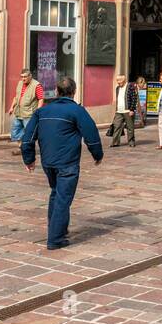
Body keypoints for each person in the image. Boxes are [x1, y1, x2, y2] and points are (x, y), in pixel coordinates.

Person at [21, 76, 102, 250]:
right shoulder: (77, 111)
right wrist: (97, 154)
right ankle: (55, 239)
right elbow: (91, 134)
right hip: (67, 163)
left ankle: (58, 229)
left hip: (48, 163)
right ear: (74, 92)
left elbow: (27, 137)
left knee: (56, 193)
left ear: (57, 91)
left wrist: (29, 159)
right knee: (63, 199)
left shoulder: (42, 111)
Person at [8, 69, 44, 155]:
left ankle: (28, 149)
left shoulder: (36, 85)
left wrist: (38, 111)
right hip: (18, 112)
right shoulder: (20, 83)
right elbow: (16, 97)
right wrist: (11, 107)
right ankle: (21, 148)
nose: (23, 79)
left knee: (29, 133)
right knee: (16, 131)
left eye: (25, 77)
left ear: (30, 76)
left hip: (29, 114)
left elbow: (41, 99)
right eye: (22, 77)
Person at [109, 74, 135, 147]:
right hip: (119, 111)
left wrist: (132, 109)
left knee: (130, 127)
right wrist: (116, 109)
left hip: (128, 110)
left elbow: (134, 98)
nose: (118, 82)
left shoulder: (130, 87)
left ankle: (131, 141)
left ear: (124, 80)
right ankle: (115, 142)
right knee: (116, 126)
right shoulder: (117, 88)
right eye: (117, 80)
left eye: (119, 80)